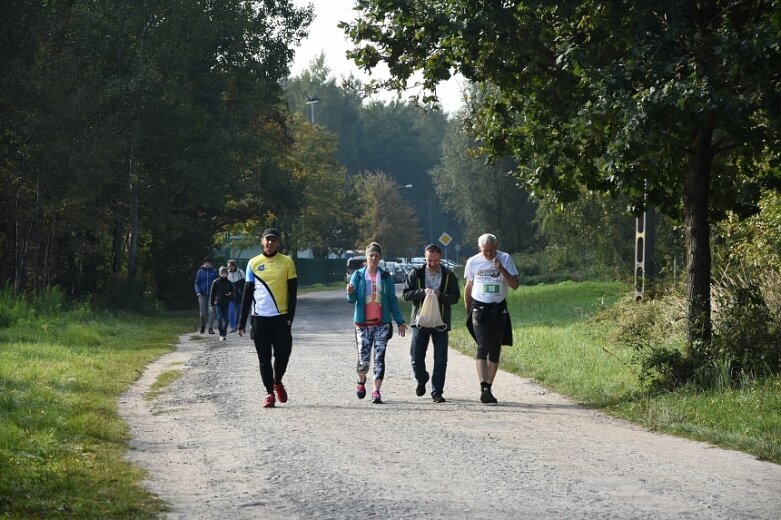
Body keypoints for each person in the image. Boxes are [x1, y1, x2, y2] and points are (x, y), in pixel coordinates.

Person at [238, 228, 298, 409]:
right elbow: (247, 295)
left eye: (273, 240)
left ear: (277, 243)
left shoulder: (287, 262)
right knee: (263, 359)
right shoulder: (253, 263)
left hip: (280, 319)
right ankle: (269, 393)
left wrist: (290, 318)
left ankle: (277, 381)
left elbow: (293, 293)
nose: (270, 243)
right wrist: (241, 323)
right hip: (259, 320)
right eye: (267, 240)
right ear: (262, 242)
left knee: (283, 355)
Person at [346, 242, 407, 404]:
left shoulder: (385, 277)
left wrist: (400, 321)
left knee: (379, 358)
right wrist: (350, 293)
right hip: (363, 325)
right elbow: (351, 300)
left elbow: (392, 301)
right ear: (366, 257)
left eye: (376, 255)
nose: (373, 258)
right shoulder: (358, 275)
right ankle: (361, 381)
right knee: (363, 358)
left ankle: (376, 391)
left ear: (380, 258)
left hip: (382, 324)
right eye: (371, 255)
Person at [463, 233, 520, 404]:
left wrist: (501, 268)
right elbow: (468, 287)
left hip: (499, 309)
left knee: (495, 348)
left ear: (497, 247)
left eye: (491, 250)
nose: (488, 254)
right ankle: (483, 387)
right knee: (483, 345)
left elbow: (515, 285)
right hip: (479, 308)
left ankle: (489, 385)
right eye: (485, 250)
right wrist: (468, 309)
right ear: (479, 248)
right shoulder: (473, 262)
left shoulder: (505, 258)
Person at [403, 243, 460, 403]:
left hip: (440, 322)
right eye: (429, 261)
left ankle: (437, 392)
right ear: (425, 258)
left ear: (440, 258)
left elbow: (455, 297)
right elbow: (406, 294)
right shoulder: (416, 273)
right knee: (416, 357)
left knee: (441, 359)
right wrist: (422, 292)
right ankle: (422, 379)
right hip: (420, 321)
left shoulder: (449, 275)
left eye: (435, 261)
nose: (433, 264)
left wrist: (440, 295)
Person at [194, 257, 218, 334]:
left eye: (208, 263)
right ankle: (203, 325)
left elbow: (217, 282)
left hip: (212, 295)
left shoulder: (214, 271)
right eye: (206, 263)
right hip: (202, 295)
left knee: (211, 312)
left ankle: (210, 328)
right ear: (203, 263)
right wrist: (198, 292)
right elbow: (196, 283)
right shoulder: (200, 271)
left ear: (211, 264)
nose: (207, 264)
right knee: (202, 314)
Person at [209, 266, 233, 341]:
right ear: (219, 273)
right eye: (221, 273)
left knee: (226, 319)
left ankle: (224, 333)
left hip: (226, 303)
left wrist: (230, 294)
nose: (223, 274)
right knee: (220, 318)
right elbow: (212, 294)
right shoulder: (215, 282)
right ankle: (221, 334)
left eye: (225, 273)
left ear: (227, 274)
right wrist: (211, 304)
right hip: (217, 303)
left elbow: (233, 292)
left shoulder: (229, 283)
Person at [226, 259, 245, 333]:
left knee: (239, 312)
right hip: (230, 297)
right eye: (228, 266)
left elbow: (245, 285)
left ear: (234, 266)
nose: (229, 268)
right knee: (231, 311)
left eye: (231, 266)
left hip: (239, 296)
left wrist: (243, 294)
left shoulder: (240, 272)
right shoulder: (227, 274)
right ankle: (233, 327)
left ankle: (238, 325)